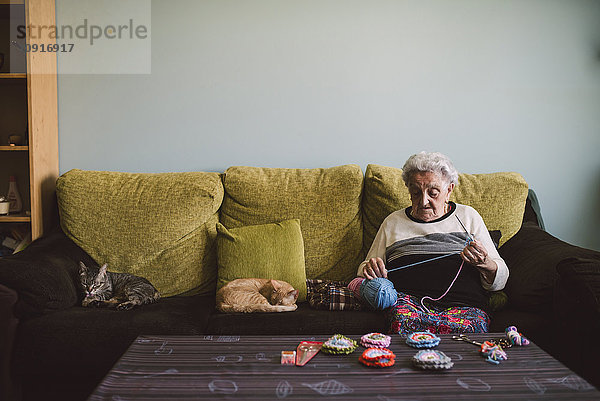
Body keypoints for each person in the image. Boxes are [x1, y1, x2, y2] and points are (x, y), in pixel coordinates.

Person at [356, 151, 509, 334]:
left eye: (433, 193)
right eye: (415, 193)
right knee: (403, 325)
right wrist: (370, 269)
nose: (424, 201)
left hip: (464, 304)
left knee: (469, 333)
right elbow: (363, 271)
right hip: (409, 304)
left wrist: (486, 264)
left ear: (449, 190)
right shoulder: (393, 222)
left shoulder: (468, 217)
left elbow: (501, 278)